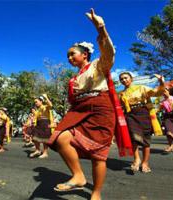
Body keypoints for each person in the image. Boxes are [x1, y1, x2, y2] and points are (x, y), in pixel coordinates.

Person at [47, 8, 124, 200]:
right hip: (81, 111)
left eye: (72, 54)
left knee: (99, 155)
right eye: (68, 56)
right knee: (61, 138)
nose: (69, 58)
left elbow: (109, 51)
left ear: (85, 54)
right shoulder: (74, 79)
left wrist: (101, 28)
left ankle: (96, 192)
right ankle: (79, 176)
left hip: (100, 111)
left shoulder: (98, 65)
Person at [119, 72, 165, 173]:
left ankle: (145, 162)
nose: (124, 80)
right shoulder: (122, 94)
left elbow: (156, 92)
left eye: (125, 78)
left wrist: (161, 82)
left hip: (143, 113)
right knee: (133, 138)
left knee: (145, 139)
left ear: (131, 78)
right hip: (130, 115)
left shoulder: (141, 88)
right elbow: (119, 107)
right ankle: (136, 159)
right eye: (121, 79)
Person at [30, 94, 53, 159]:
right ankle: (38, 150)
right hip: (39, 124)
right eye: (35, 102)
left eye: (36, 102)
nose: (35, 103)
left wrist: (46, 97)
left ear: (41, 101)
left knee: (45, 139)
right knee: (35, 137)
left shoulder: (45, 106)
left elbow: (51, 105)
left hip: (45, 124)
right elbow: (36, 117)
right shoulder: (38, 110)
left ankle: (45, 153)